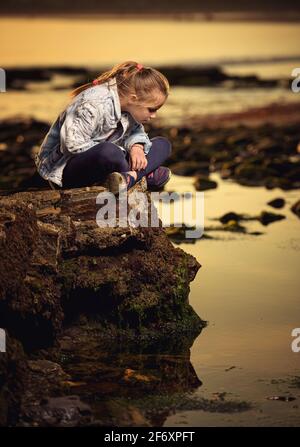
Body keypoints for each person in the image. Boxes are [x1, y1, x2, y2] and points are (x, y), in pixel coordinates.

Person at [35, 61, 172, 194]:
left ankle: (129, 178)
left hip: (112, 166)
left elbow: (136, 131)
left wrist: (137, 147)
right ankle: (141, 175)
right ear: (134, 98)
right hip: (66, 171)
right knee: (110, 152)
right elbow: (72, 145)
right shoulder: (92, 104)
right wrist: (124, 152)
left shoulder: (129, 106)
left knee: (163, 144)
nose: (154, 115)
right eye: (152, 109)